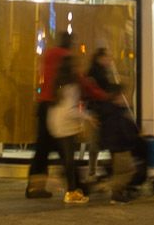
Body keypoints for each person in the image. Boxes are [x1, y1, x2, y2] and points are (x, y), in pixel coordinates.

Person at [26, 31, 108, 198]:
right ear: (70, 43)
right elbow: (81, 81)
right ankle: (75, 186)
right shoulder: (66, 57)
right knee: (66, 150)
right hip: (59, 106)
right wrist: (103, 95)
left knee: (43, 150)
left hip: (45, 106)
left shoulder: (48, 54)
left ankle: (36, 187)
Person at [48, 53, 93, 204]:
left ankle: (74, 188)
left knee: (67, 160)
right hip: (66, 125)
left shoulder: (58, 82)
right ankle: (71, 191)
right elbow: (70, 110)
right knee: (69, 160)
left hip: (55, 122)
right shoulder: (72, 86)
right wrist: (87, 117)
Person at [84, 48, 118, 180]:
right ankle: (95, 169)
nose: (109, 60)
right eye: (107, 57)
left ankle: (95, 169)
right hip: (99, 110)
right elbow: (98, 91)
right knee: (97, 140)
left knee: (97, 141)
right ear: (100, 58)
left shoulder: (99, 71)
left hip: (98, 109)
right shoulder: (96, 73)